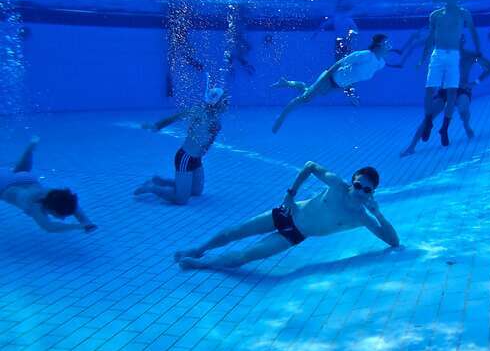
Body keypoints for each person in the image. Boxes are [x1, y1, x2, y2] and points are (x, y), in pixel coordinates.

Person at [174, 162, 400, 270]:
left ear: (372, 193)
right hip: (287, 212)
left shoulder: (362, 217)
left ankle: (202, 264)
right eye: (358, 185)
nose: (360, 191)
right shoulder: (336, 185)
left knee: (245, 257)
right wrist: (291, 194)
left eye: (367, 190)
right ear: (352, 182)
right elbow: (310, 166)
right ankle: (198, 250)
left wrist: (378, 213)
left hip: (295, 235)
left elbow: (392, 241)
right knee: (236, 231)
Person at [135, 72, 228, 205]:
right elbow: (175, 117)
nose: (227, 104)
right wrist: (156, 126)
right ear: (216, 102)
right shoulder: (199, 111)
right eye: (224, 101)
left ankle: (158, 181)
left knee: (196, 192)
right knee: (181, 199)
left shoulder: (216, 119)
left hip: (196, 159)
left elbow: (208, 139)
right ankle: (152, 188)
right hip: (185, 157)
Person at [271, 34, 392, 133]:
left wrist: (350, 94)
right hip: (330, 78)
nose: (389, 46)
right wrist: (325, 78)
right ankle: (281, 118)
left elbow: (355, 77)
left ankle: (287, 83)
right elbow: (340, 63)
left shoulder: (380, 64)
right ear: (378, 45)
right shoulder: (364, 55)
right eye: (386, 43)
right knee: (305, 98)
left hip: (339, 86)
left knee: (308, 92)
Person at [401, 35, 490, 156]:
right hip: (444, 90)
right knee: (428, 117)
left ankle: (466, 125)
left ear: (463, 42)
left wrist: (475, 82)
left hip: (462, 89)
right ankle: (411, 146)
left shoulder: (471, 56)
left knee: (463, 109)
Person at [417, 0, 482, 147]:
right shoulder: (435, 15)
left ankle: (444, 128)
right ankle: (428, 122)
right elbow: (431, 37)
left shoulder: (464, 13)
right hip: (437, 53)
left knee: (452, 91)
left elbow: (473, 31)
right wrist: (423, 57)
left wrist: (479, 49)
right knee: (429, 89)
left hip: (453, 54)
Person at [0, 137, 97, 233]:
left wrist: (86, 222)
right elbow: (49, 227)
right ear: (50, 208)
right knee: (20, 171)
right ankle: (29, 151)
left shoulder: (55, 195)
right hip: (4, 186)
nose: (62, 218)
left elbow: (70, 203)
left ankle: (30, 150)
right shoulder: (35, 206)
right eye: (59, 215)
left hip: (24, 178)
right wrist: (78, 226)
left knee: (20, 171)